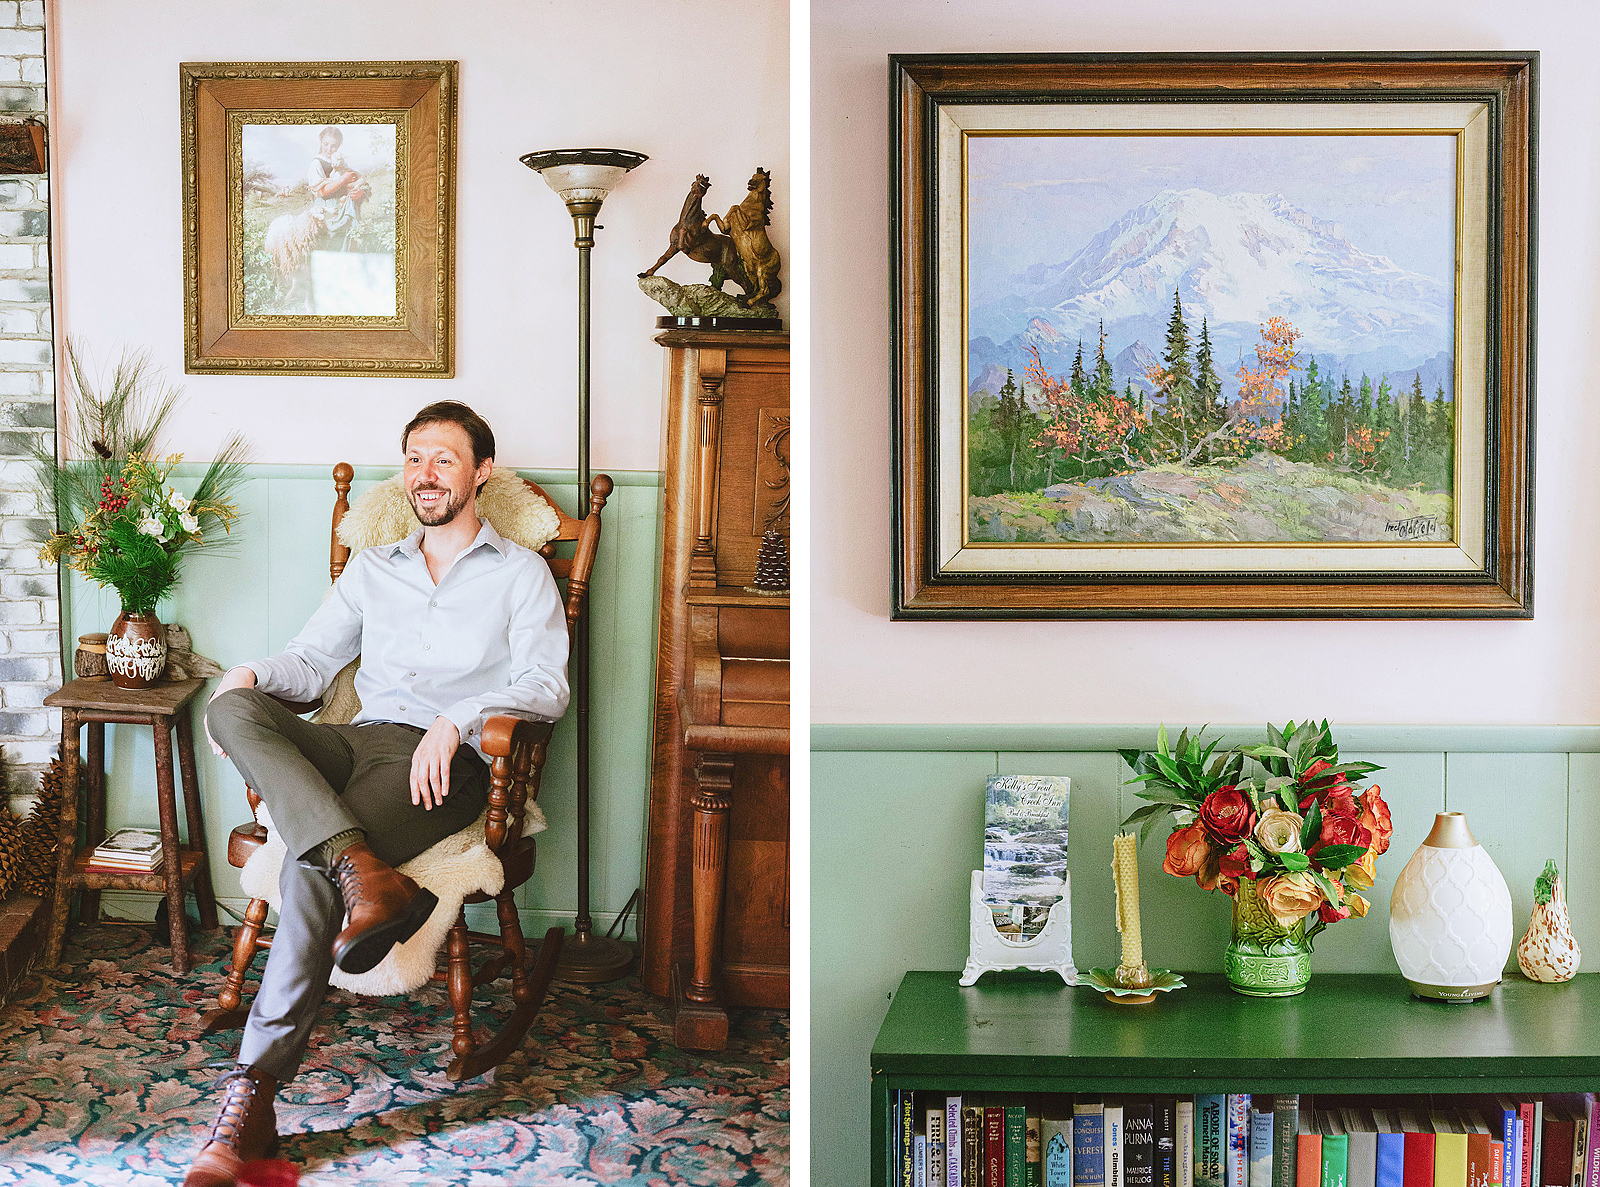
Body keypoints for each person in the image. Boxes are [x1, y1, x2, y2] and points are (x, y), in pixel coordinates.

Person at [183, 401, 569, 1187]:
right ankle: (369, 872)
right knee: (232, 706)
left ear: (481, 473)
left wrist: (456, 722)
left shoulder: (520, 574)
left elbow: (545, 685)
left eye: (446, 459)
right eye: (415, 458)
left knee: (305, 864)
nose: (426, 473)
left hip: (442, 766)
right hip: (354, 739)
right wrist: (252, 675)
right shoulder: (375, 566)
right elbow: (311, 662)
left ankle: (249, 1096)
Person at [305, 124, 371, 251]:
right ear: (321, 142)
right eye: (326, 144)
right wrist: (343, 180)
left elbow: (360, 180)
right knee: (330, 245)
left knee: (348, 242)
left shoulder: (342, 163)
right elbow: (321, 192)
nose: (329, 149)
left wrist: (359, 192)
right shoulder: (317, 163)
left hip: (344, 208)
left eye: (334, 146)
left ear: (339, 145)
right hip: (327, 211)